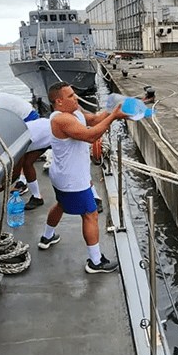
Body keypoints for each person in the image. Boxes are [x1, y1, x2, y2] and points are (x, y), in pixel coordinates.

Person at [37, 82, 127, 274]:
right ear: (59, 102)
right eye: (70, 96)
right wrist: (113, 117)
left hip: (64, 174)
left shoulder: (74, 113)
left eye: (74, 94)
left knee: (61, 205)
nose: (76, 97)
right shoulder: (61, 119)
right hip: (72, 179)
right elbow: (90, 136)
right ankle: (95, 262)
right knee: (90, 214)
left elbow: (94, 120)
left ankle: (47, 237)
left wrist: (114, 109)